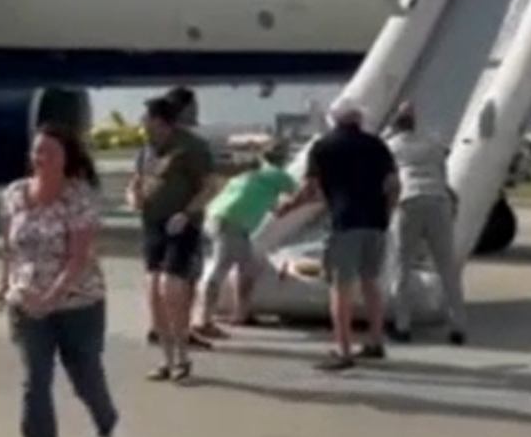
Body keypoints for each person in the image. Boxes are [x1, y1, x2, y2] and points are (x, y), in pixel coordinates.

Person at [0, 123, 119, 437]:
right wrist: (3, 283)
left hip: (79, 303)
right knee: (35, 382)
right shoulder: (14, 194)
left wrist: (53, 297)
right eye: (36, 151)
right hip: (27, 304)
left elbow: (78, 258)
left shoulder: (79, 198)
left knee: (85, 376)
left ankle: (105, 429)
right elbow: (9, 247)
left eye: (49, 152)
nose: (40, 158)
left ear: (66, 158)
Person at [273, 99, 396, 371]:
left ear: (333, 120)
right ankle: (376, 341)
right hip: (376, 223)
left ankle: (343, 349)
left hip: (345, 222)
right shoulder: (377, 145)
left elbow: (310, 189)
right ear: (359, 120)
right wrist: (386, 214)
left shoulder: (323, 146)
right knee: (370, 282)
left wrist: (287, 208)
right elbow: (393, 184)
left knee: (341, 288)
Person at [134, 94, 215, 381]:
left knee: (172, 288)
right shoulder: (147, 149)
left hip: (181, 225)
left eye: (146, 118)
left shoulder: (191, 147)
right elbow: (139, 180)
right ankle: (166, 360)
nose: (142, 123)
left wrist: (187, 213)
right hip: (153, 225)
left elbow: (208, 187)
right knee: (154, 290)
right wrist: (134, 195)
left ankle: (183, 355)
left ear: (160, 121)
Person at [383, 104, 467, 346]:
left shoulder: (390, 147)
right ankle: (458, 326)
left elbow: (388, 182)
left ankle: (402, 325)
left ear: (395, 124)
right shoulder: (432, 145)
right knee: (447, 267)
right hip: (438, 200)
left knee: (402, 266)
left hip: (408, 201)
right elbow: (445, 178)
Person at [196, 144, 295, 333]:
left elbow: (274, 208)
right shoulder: (277, 175)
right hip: (233, 223)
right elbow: (304, 192)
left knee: (250, 265)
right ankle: (204, 320)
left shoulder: (251, 177)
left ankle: (241, 312)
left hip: (216, 217)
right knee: (221, 266)